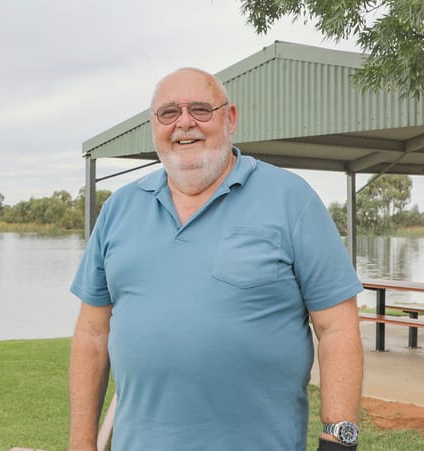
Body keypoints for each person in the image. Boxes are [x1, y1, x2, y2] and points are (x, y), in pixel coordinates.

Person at [68, 67, 364, 451]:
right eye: (169, 112)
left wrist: (338, 441)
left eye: (201, 110)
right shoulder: (119, 209)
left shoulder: (292, 198)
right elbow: (92, 334)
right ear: (153, 125)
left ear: (231, 118)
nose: (185, 123)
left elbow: (337, 328)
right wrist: (81, 443)